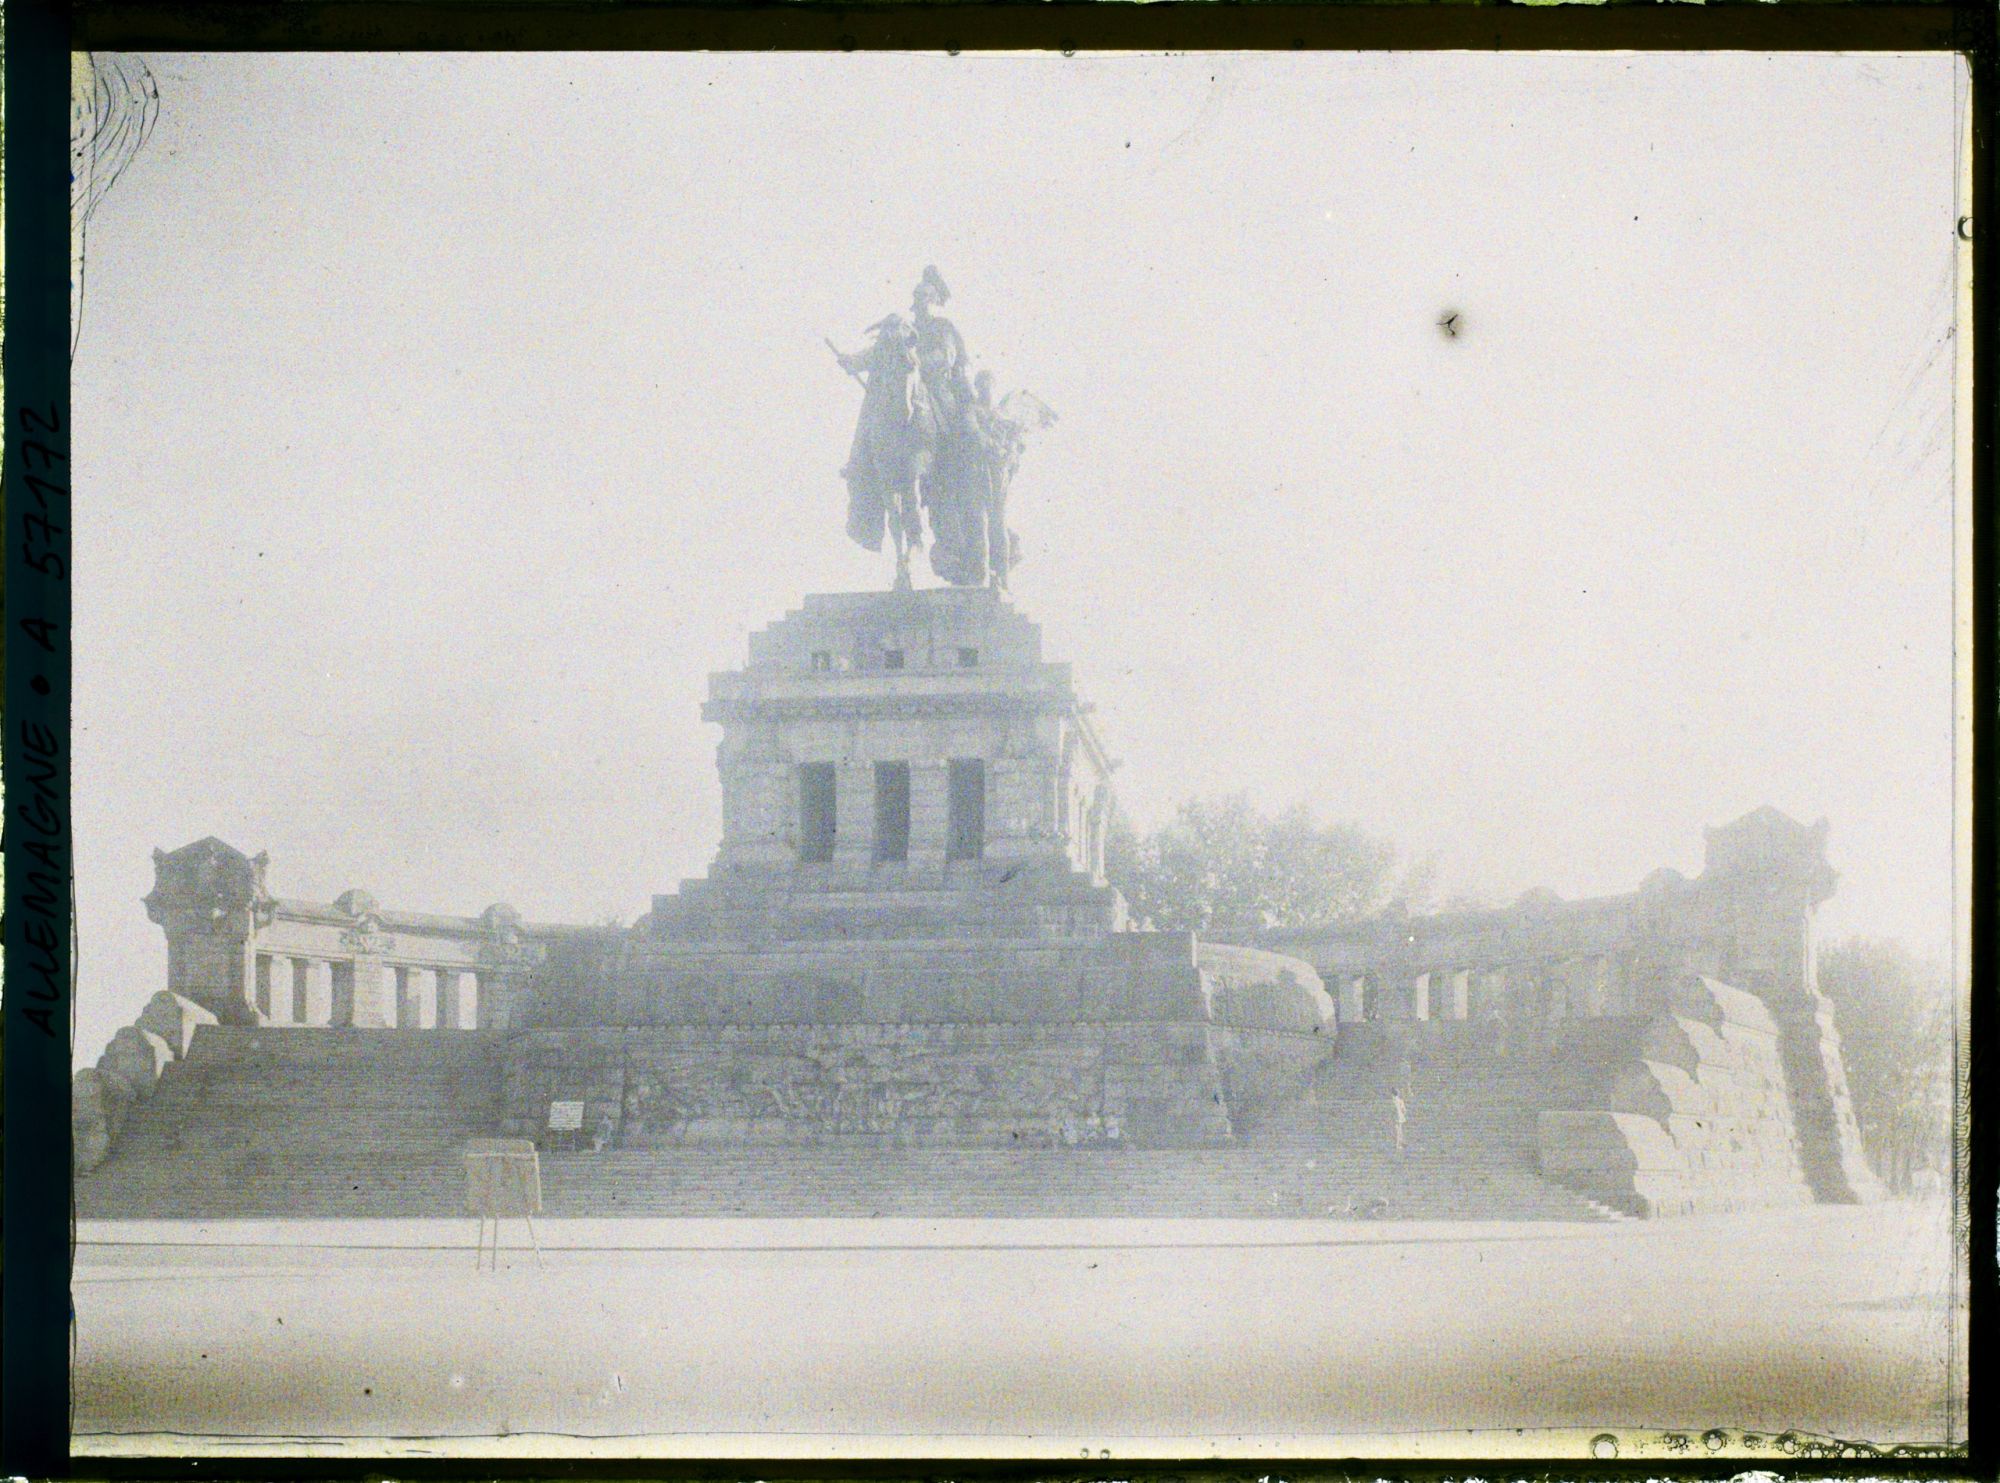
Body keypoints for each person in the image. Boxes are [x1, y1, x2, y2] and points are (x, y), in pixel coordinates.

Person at [832, 314, 925, 587]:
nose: (891, 338)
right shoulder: (879, 353)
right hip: (882, 421)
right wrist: (847, 361)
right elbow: (856, 361)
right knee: (865, 438)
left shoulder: (910, 359)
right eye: (889, 334)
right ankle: (857, 465)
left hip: (910, 424)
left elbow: (912, 399)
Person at [1390, 1089, 1407, 1155]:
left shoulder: (1392, 1101)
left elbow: (1391, 1111)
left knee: (1397, 1131)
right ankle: (1399, 1144)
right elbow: (1404, 1110)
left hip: (1394, 1118)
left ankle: (1399, 1144)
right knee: (1400, 1131)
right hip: (1400, 1118)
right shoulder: (1400, 1100)